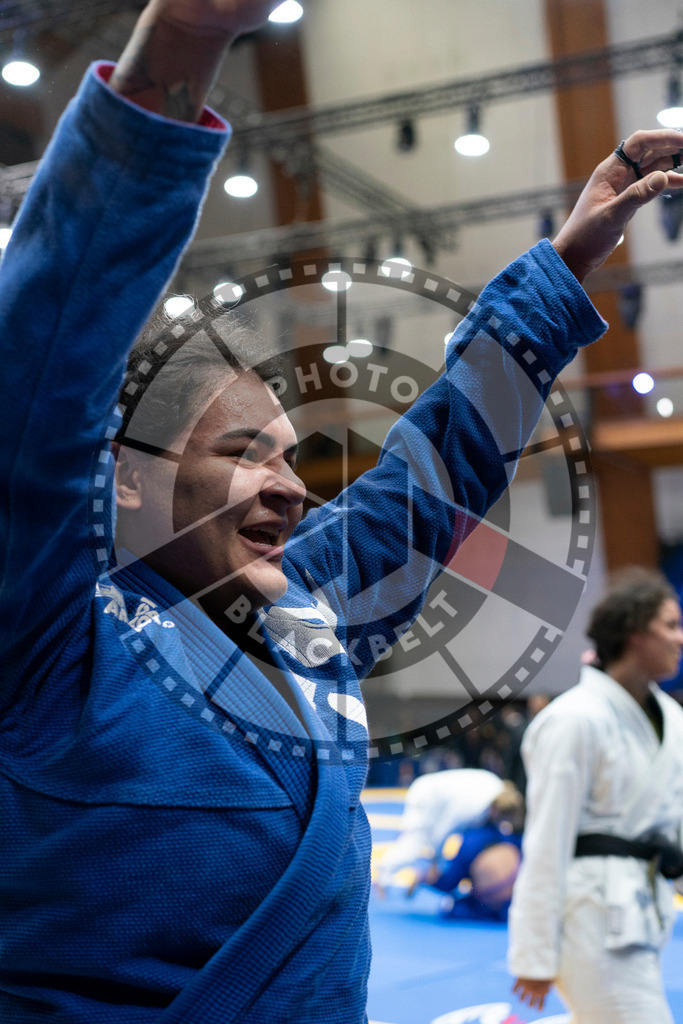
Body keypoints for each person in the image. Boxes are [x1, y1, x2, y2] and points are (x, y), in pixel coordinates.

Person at [1, 0, 682, 1014]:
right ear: (129, 479)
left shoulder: (305, 610)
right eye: (241, 455)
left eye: (289, 457)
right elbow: (40, 382)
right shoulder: (51, 642)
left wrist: (561, 271)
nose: (285, 483)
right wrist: (181, 49)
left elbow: (430, 471)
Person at [509, 568, 683, 1023]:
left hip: (643, 913)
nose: (679, 638)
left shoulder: (672, 719)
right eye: (670, 625)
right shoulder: (575, 720)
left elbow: (673, 826)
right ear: (633, 633)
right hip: (586, 917)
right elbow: (547, 839)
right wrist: (534, 953)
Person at [374, 768, 525, 922]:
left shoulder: (497, 792)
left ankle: (410, 874)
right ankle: (384, 873)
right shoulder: (472, 811)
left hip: (442, 795)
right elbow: (443, 830)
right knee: (417, 841)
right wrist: (435, 862)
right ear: (496, 811)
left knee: (428, 851)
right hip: (428, 797)